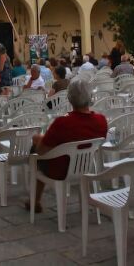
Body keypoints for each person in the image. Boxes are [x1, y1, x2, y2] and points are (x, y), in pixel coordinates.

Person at [27, 79, 108, 213]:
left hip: (60, 170)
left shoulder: (62, 123)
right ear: (90, 97)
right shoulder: (101, 121)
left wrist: (37, 139)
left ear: (70, 98)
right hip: (86, 167)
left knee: (34, 153)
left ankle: (35, 200)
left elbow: (41, 151)